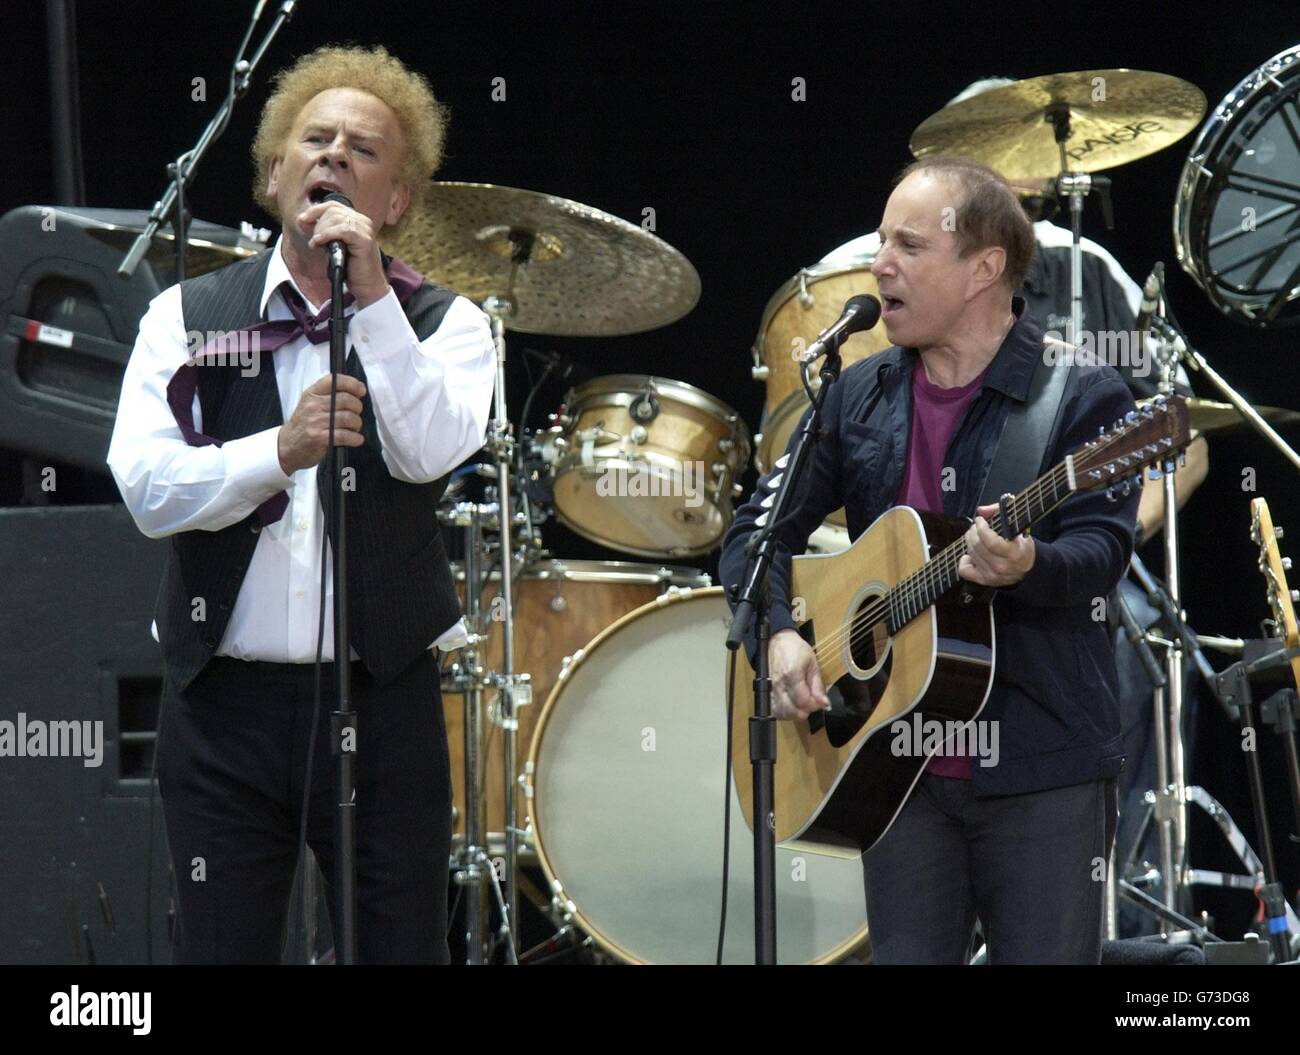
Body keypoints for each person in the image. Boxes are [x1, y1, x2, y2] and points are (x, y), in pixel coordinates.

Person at [107, 44, 495, 964]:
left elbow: (432, 445)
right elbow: (146, 488)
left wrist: (373, 305)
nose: (332, 157)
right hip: (222, 713)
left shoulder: (449, 324)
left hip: (383, 700)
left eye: (362, 150)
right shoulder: (188, 316)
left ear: (396, 202)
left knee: (398, 949)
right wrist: (273, 452)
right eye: (312, 140)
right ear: (274, 172)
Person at [720, 155, 1143, 964]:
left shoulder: (1084, 395)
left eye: (908, 246)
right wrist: (780, 631)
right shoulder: (857, 392)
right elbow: (756, 533)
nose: (879, 263)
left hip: (1038, 761)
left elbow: (1102, 551)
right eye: (883, 243)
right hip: (896, 767)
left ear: (985, 268)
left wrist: (1028, 566)